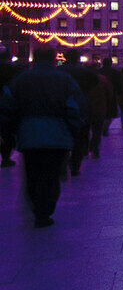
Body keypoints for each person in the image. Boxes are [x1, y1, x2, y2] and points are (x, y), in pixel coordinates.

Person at [0, 47, 85, 227]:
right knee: (51, 175)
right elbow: (75, 108)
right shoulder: (65, 80)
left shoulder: (21, 79)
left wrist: (11, 131)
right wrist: (73, 130)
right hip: (57, 135)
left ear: (35, 58)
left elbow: (7, 107)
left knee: (33, 173)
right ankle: (44, 212)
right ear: (54, 58)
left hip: (29, 135)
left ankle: (37, 209)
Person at [60, 49, 105, 173]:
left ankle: (62, 164)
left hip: (61, 108)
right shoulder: (85, 72)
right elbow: (94, 82)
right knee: (80, 136)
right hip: (81, 106)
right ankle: (75, 165)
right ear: (78, 58)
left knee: (63, 136)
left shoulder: (58, 71)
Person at [99, 57, 122, 135]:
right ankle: (105, 127)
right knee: (109, 113)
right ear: (111, 63)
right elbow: (119, 85)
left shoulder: (99, 72)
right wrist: (119, 93)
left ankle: (102, 127)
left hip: (100, 95)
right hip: (111, 95)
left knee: (101, 112)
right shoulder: (116, 73)